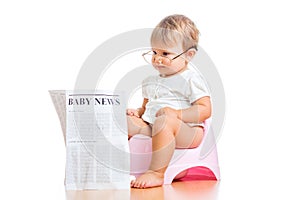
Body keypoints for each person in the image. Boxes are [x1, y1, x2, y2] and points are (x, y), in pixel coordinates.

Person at [127, 14, 211, 188]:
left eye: (165, 53)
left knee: (165, 121)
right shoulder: (150, 81)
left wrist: (176, 114)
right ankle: (115, 166)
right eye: (155, 52)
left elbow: (205, 109)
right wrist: (137, 113)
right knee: (124, 120)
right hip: (154, 126)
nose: (157, 58)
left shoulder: (190, 79)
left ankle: (156, 173)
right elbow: (145, 108)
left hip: (188, 131)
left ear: (188, 55)